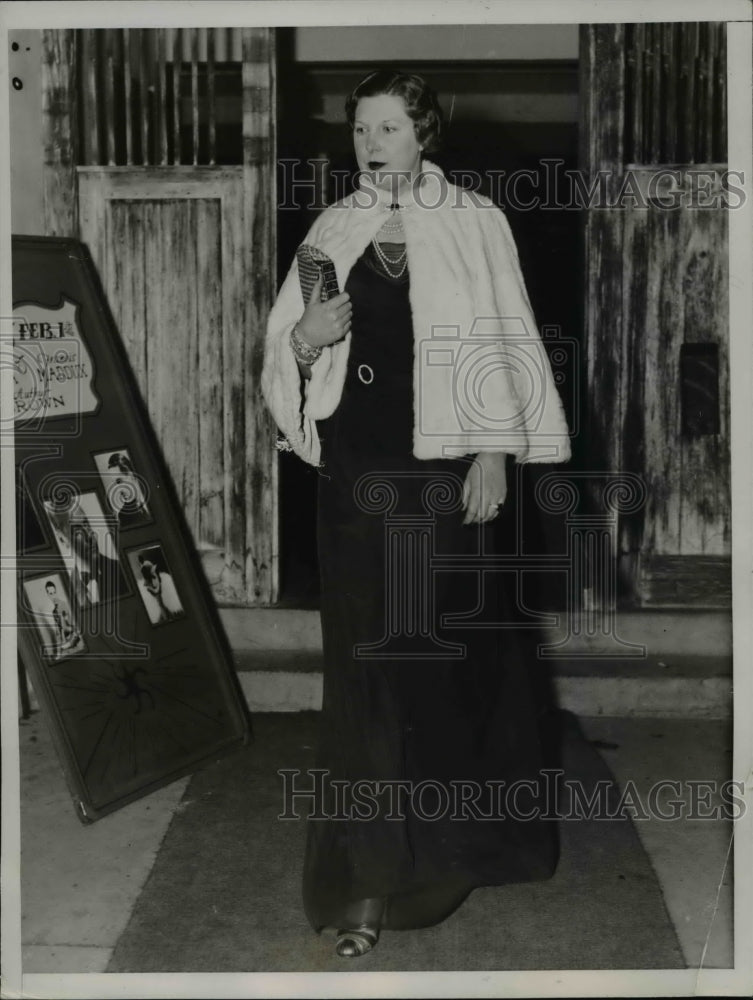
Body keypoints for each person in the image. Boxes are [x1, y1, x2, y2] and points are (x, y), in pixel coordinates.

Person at [262, 70, 571, 958]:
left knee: (438, 662)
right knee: (363, 668)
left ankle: (447, 856)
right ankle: (361, 881)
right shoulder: (334, 226)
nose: (370, 141)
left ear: (424, 132)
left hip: (443, 469)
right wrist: (302, 340)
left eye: (389, 126)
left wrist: (493, 447)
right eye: (360, 127)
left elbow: (507, 334)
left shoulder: (475, 220)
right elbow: (286, 343)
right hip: (358, 470)